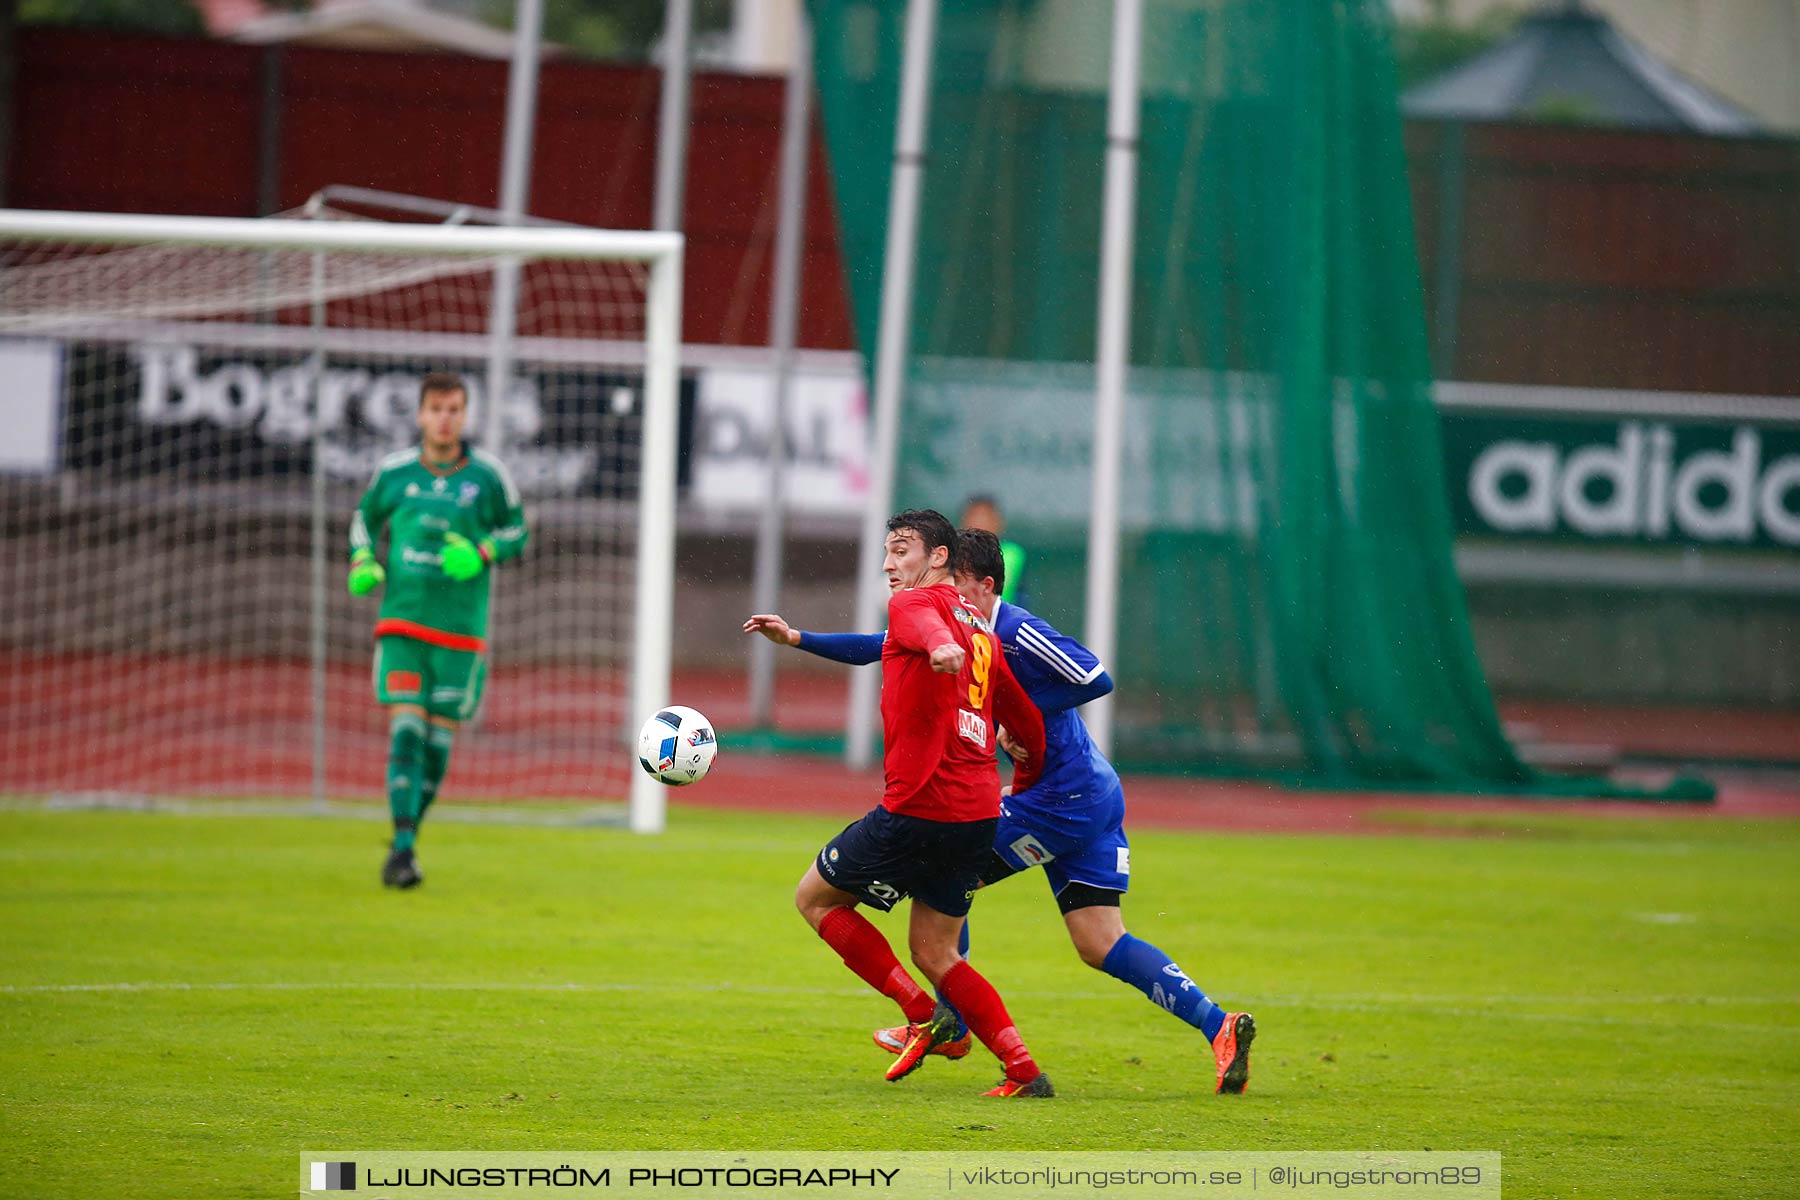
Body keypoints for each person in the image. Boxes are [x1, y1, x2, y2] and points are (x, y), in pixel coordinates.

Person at [744, 528, 1255, 1094]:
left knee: (937, 876)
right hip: (1082, 796)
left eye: (961, 587)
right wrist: (798, 638)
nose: (952, 600)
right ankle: (1220, 1025)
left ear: (985, 587)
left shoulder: (1013, 628)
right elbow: (882, 643)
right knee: (1100, 941)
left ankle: (950, 1022)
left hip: (1057, 801)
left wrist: (1013, 723)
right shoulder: (964, 621)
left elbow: (1094, 675)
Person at [776, 510, 1056, 1098]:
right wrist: (1025, 773)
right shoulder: (981, 630)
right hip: (977, 816)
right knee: (938, 950)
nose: (887, 563)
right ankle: (1025, 1071)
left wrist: (938, 650)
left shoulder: (912, 606)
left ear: (937, 559)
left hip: (917, 810)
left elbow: (924, 629)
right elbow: (1027, 721)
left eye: (900, 550)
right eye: (886, 551)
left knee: (815, 898)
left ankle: (923, 1015)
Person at [346, 371, 527, 889]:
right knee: (406, 730)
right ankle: (401, 851)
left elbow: (518, 529)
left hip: (461, 631)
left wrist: (483, 553)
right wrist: (362, 558)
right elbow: (364, 518)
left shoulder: (488, 476)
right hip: (403, 621)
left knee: (437, 747)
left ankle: (408, 840)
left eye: (454, 410)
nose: (445, 419)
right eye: (436, 409)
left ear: (464, 415)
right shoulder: (395, 472)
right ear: (421, 415)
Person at [959, 494, 1026, 607]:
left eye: (986, 517)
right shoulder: (952, 555)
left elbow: (1021, 596)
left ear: (999, 522)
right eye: (974, 516)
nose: (979, 523)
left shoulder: (1013, 555)